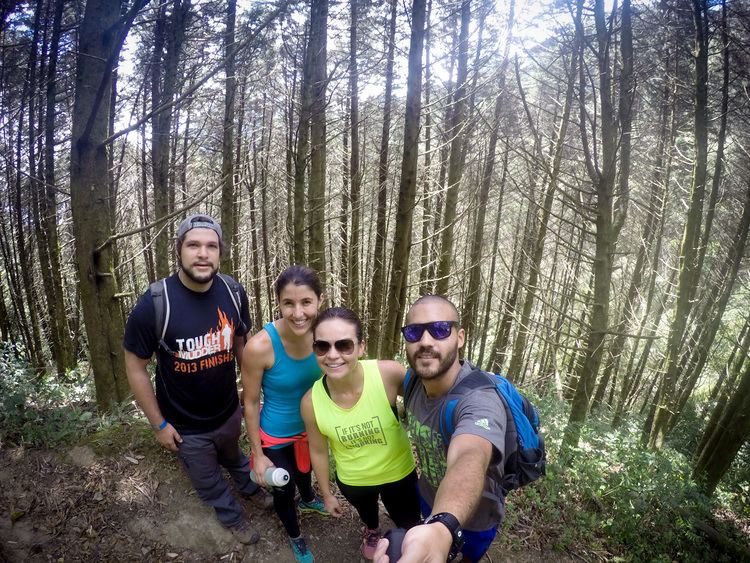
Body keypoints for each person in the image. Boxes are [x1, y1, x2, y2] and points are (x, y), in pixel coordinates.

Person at [123, 213, 270, 545]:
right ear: (179, 250)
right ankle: (231, 514)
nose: (203, 253)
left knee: (234, 455)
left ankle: (248, 486)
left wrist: (249, 397)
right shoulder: (155, 303)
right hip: (185, 426)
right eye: (193, 245)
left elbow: (240, 343)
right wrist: (159, 425)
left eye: (211, 246)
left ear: (220, 252)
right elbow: (135, 366)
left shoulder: (232, 292)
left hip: (228, 410)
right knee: (207, 479)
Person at [374, 295, 508, 563]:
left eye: (439, 330)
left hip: (476, 515)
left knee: (468, 556)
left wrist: (443, 525)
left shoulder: (480, 401)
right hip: (428, 495)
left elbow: (470, 455)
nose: (425, 341)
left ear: (459, 337)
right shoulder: (412, 381)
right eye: (414, 332)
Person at [301, 307, 421, 560]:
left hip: (400, 474)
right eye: (322, 346)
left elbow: (428, 400)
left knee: (411, 530)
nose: (332, 355)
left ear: (361, 347)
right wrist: (326, 493)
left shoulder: (388, 374)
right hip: (354, 480)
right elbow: (318, 450)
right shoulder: (311, 401)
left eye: (344, 345)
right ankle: (372, 529)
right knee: (368, 514)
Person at [241, 265, 328, 563]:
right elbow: (250, 402)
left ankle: (309, 499)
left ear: (320, 300)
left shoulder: (326, 337)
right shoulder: (259, 347)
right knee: (284, 486)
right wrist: (257, 453)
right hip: (275, 434)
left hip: (312, 428)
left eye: (306, 302)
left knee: (306, 472)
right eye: (288, 303)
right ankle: (295, 536)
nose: (298, 312)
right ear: (278, 303)